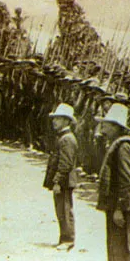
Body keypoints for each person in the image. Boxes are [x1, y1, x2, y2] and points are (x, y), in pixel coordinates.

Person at [95, 103, 130, 261]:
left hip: (121, 205)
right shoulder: (117, 144)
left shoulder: (124, 148)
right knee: (115, 246)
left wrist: (119, 209)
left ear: (116, 127)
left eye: (106, 124)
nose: (103, 127)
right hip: (117, 203)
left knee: (121, 247)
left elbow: (126, 181)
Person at [43, 103, 79, 251]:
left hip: (64, 181)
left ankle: (68, 239)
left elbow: (65, 164)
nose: (54, 122)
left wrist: (57, 180)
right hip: (62, 180)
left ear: (66, 121)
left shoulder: (67, 139)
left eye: (57, 119)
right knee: (60, 210)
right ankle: (64, 237)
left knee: (65, 210)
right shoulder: (63, 137)